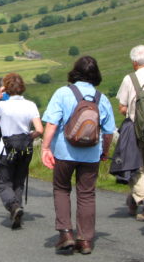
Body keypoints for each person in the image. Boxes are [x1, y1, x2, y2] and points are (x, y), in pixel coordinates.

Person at [41, 56, 116, 255]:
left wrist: (45, 148)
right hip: (91, 154)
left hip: (64, 152)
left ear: (75, 72)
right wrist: (104, 152)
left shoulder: (63, 93)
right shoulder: (102, 98)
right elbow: (108, 132)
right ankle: (85, 241)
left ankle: (66, 233)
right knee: (86, 194)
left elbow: (51, 123)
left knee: (61, 189)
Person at [0, 73, 43, 230]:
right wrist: (28, 137)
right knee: (19, 181)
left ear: (7, 88)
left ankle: (13, 207)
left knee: (3, 182)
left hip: (7, 149)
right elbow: (39, 129)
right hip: (26, 148)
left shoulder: (2, 105)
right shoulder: (31, 105)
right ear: (22, 87)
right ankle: (17, 208)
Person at [115, 45, 144, 222]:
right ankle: (134, 200)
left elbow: (122, 107)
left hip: (135, 130)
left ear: (134, 62)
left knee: (136, 166)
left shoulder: (129, 79)